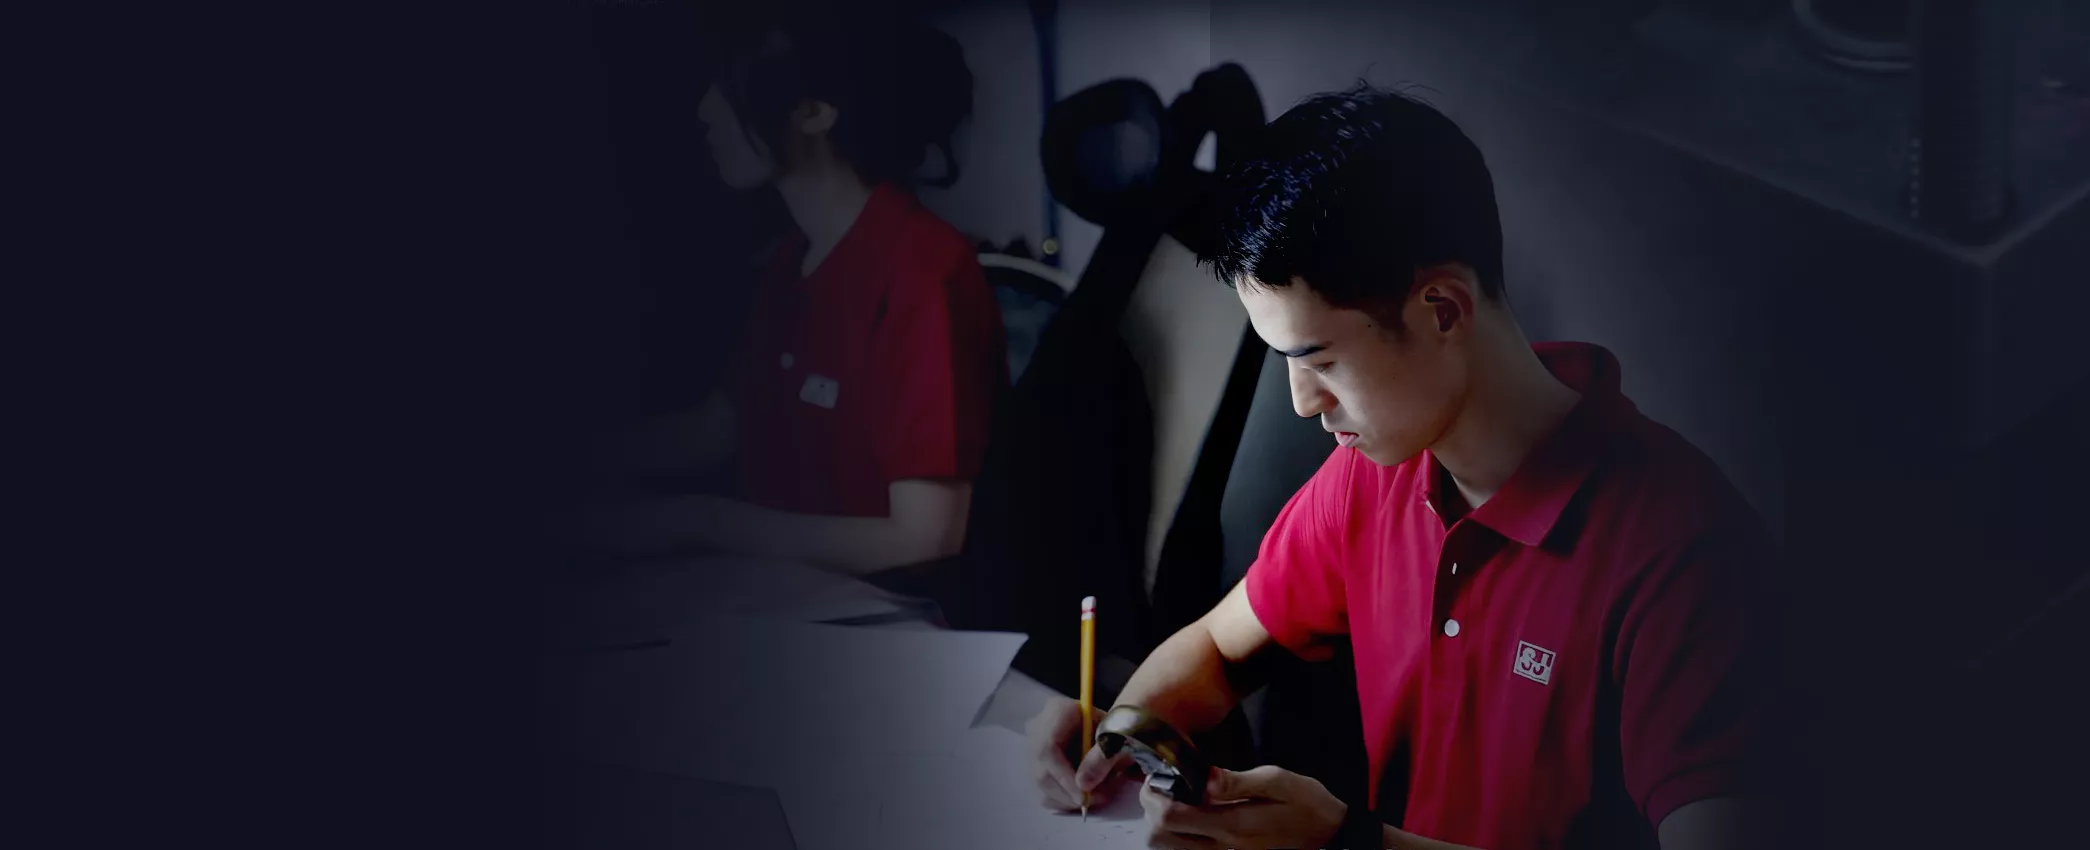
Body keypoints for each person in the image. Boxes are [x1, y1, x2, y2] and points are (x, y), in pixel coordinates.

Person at [1025, 86, 1791, 849]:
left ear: (1442, 310)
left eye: (1319, 359)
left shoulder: (1684, 553)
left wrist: (1346, 844)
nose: (1301, 402)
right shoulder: (1372, 473)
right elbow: (1217, 648)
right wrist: (1127, 732)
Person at [599, 13, 1004, 577]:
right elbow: (718, 428)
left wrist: (699, 521)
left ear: (815, 111)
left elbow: (928, 534)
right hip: (780, 595)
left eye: (729, 85)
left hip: (889, 609)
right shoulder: (793, 259)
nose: (705, 110)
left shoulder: (924, 272)